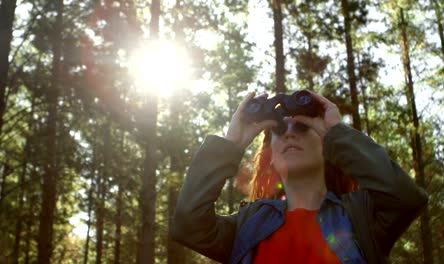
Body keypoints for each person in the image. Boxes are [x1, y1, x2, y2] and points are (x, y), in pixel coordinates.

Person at [170, 91, 428, 263]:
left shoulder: (359, 215)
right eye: (279, 130)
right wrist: (232, 144)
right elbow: (188, 226)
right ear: (270, 157)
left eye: (303, 127)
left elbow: (405, 198)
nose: (290, 134)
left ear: (328, 147)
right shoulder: (249, 223)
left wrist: (335, 132)